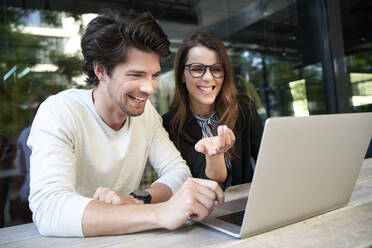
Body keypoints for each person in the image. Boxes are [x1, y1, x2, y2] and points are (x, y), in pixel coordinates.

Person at [27, 10, 224, 238]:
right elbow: (49, 209)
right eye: (136, 75)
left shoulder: (146, 114)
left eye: (154, 75)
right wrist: (159, 213)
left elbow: (178, 172)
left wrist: (138, 199)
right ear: (100, 69)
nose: (150, 88)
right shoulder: (60, 111)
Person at [162, 32, 263, 189]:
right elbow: (205, 178)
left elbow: (268, 159)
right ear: (182, 75)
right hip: (202, 212)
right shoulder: (170, 124)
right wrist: (214, 154)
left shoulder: (244, 108)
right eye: (197, 69)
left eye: (216, 69)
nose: (208, 78)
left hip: (246, 207)